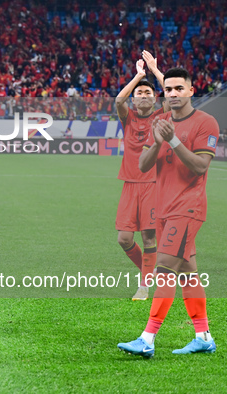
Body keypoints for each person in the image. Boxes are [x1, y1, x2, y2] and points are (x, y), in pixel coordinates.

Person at [118, 68, 219, 357]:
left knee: (164, 269)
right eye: (169, 89)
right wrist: (160, 140)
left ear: (190, 91)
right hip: (162, 208)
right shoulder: (160, 121)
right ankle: (203, 336)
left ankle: (147, 339)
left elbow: (200, 167)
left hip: (187, 207)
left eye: (178, 89)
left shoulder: (205, 122)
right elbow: (143, 165)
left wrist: (174, 140)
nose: (173, 93)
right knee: (188, 273)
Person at [114, 52, 167, 301]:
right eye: (139, 93)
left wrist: (155, 71)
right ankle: (150, 271)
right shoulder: (129, 118)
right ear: (134, 100)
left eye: (148, 93)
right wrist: (138, 76)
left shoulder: (162, 116)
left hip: (153, 184)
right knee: (124, 239)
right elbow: (118, 100)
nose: (143, 96)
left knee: (148, 237)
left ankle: (144, 286)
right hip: (129, 184)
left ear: (154, 99)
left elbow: (174, 95)